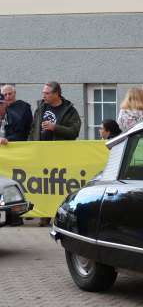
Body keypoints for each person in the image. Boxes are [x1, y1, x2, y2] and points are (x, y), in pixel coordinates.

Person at [29, 81, 81, 226]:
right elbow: (33, 129)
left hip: (60, 155)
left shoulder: (70, 110)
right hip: (42, 154)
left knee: (60, 186)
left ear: (56, 94)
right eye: (43, 93)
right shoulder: (40, 108)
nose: (43, 95)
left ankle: (61, 215)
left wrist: (54, 128)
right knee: (44, 186)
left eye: (46, 93)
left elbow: (74, 132)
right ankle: (45, 216)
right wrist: (29, 146)